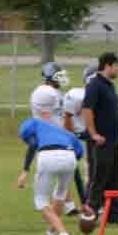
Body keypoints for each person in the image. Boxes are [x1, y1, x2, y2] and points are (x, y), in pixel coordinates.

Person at [18, 88, 84, 235]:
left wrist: (25, 171)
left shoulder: (33, 122)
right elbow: (79, 152)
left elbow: (32, 143)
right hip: (70, 157)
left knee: (41, 201)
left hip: (48, 156)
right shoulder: (62, 130)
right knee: (60, 197)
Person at [23, 62, 79, 216]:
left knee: (65, 174)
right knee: (50, 172)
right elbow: (46, 117)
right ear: (49, 78)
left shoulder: (55, 92)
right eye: (58, 76)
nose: (62, 78)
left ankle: (69, 206)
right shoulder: (44, 92)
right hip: (49, 136)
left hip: (58, 135)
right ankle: (43, 202)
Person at [82, 51, 118, 223]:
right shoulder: (95, 84)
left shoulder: (109, 85)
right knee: (98, 178)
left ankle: (113, 215)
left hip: (114, 141)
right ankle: (89, 214)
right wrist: (93, 134)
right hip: (101, 141)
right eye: (117, 65)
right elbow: (87, 109)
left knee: (114, 178)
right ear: (108, 65)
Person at [62, 61, 98, 206]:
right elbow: (67, 117)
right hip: (80, 138)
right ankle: (85, 203)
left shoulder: (101, 93)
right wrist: (71, 137)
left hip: (93, 137)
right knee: (83, 171)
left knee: (96, 171)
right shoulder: (77, 95)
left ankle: (95, 201)